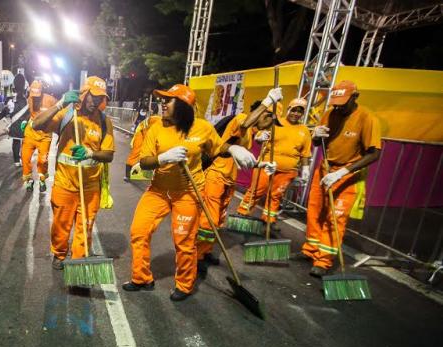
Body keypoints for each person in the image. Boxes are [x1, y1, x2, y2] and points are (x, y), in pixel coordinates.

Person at [123, 84, 255, 301]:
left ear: (184, 106)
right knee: (139, 231)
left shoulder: (202, 128)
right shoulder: (157, 127)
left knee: (184, 241)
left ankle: (184, 285)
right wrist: (162, 158)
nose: (163, 103)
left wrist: (232, 148)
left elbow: (217, 148)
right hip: (158, 190)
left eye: (169, 100)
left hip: (189, 192)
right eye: (163, 100)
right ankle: (141, 278)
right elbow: (145, 162)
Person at [298, 80, 381, 277]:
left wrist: (342, 173)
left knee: (336, 218)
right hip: (325, 168)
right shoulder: (330, 113)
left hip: (347, 173)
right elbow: (319, 143)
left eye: (343, 103)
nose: (338, 107)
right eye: (335, 103)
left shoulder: (367, 118)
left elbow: (374, 153)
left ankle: (323, 260)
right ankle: (311, 249)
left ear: (355, 97)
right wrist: (315, 135)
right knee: (315, 211)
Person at [32, 76, 115, 270]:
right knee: (60, 228)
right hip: (64, 184)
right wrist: (60, 104)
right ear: (84, 93)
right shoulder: (67, 114)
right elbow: (37, 124)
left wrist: (90, 153)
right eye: (92, 96)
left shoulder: (104, 122)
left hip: (90, 189)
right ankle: (59, 254)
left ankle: (78, 264)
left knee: (84, 229)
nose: (95, 101)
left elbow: (109, 155)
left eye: (100, 98)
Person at [195, 89, 280, 267]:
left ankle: (207, 249)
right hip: (215, 176)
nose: (272, 125)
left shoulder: (250, 135)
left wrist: (261, 165)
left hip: (229, 180)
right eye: (272, 120)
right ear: (265, 114)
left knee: (218, 219)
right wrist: (268, 100)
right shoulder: (241, 118)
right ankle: (198, 256)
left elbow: (241, 159)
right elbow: (247, 122)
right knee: (208, 219)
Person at [236, 97, 312, 229]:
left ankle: (269, 221)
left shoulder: (304, 130)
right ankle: (242, 215)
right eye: (294, 110)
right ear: (288, 110)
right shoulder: (275, 122)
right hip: (266, 165)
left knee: (276, 195)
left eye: (300, 111)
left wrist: (305, 168)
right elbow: (259, 135)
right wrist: (260, 138)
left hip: (288, 171)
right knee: (256, 190)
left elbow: (305, 153)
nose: (296, 114)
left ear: (303, 114)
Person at [21, 80, 57, 192]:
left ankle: (42, 179)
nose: (35, 98)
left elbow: (58, 114)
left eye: (37, 95)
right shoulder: (30, 99)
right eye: (33, 95)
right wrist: (24, 121)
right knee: (25, 157)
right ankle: (29, 180)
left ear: (41, 92)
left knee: (43, 160)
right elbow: (28, 112)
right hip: (31, 133)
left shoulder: (51, 100)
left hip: (45, 136)